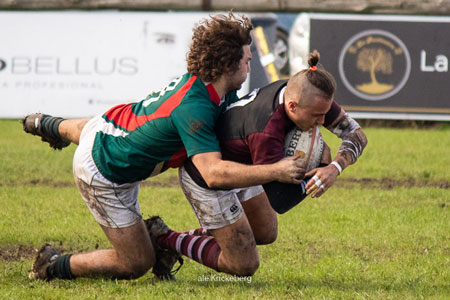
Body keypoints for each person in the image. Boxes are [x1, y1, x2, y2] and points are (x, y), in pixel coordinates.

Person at [24, 12, 306, 282]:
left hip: (116, 122)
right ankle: (51, 265)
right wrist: (275, 170)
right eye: (247, 59)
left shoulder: (217, 87)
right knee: (135, 263)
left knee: (95, 129)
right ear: (227, 64)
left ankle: (49, 124)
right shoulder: (194, 108)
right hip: (105, 173)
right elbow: (212, 173)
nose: (250, 65)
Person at [145, 50, 368, 276]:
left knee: (265, 232)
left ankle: (175, 239)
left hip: (247, 162)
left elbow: (356, 134)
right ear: (292, 106)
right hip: (210, 177)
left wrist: (334, 168)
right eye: (316, 116)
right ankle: (166, 238)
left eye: (325, 113)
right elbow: (281, 201)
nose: (322, 122)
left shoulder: (304, 92)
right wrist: (314, 171)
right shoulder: (266, 130)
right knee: (243, 265)